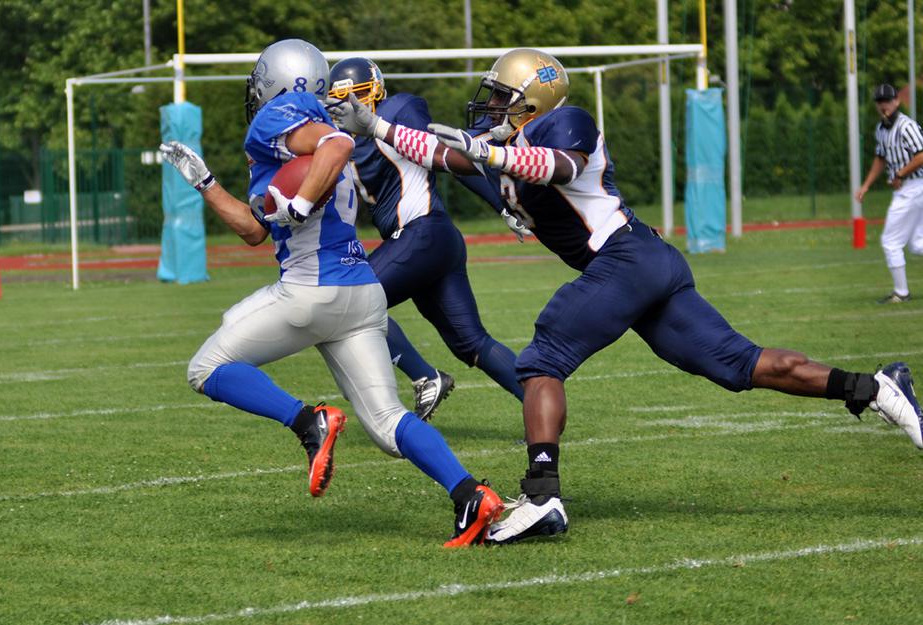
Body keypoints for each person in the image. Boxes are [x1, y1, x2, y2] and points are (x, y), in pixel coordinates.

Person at [328, 48, 923, 545]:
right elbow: (445, 153)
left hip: (626, 257)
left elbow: (557, 167)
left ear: (533, 99)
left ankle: (542, 497)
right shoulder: (504, 141)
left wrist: (488, 153)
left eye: (503, 96)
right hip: (640, 265)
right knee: (740, 365)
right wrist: (377, 128)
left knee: (541, 360)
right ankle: (875, 388)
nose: (491, 107)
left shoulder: (566, 122)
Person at [159, 38, 503, 547]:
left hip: (311, 291)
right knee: (388, 424)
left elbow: (336, 147)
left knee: (205, 369)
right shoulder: (309, 124)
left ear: (276, 80)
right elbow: (254, 230)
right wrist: (205, 182)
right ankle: (471, 495)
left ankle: (308, 422)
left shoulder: (281, 115)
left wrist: (298, 205)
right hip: (361, 294)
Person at [325, 57, 525, 416]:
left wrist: (501, 205)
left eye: (358, 95)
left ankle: (424, 377)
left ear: (376, 92)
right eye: (341, 99)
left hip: (423, 233)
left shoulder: (397, 110)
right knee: (471, 343)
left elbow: (445, 157)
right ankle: (542, 408)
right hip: (424, 243)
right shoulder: (338, 140)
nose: (351, 105)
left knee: (349, 299)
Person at [856, 82, 923, 304]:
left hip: (914, 187)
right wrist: (866, 185)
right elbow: (880, 158)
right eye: (880, 101)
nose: (883, 104)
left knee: (890, 241)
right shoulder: (881, 128)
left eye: (887, 100)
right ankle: (901, 291)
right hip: (908, 188)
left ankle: (901, 292)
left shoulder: (906, 126)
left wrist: (900, 174)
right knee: (916, 244)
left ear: (897, 101)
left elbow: (921, 155)